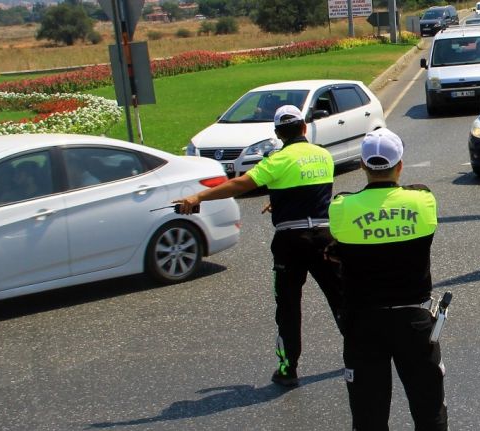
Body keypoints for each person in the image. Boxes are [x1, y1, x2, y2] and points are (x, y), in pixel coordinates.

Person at [173, 105, 344, 387]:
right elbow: (313, 190)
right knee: (341, 299)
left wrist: (199, 197)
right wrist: (279, 201)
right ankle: (359, 355)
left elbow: (241, 184)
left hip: (290, 241)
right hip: (325, 238)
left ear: (278, 133)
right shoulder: (324, 156)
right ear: (304, 128)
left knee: (288, 307)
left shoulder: (277, 161)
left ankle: (288, 369)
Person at [327, 128, 448, 430]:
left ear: (362, 166)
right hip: (414, 320)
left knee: (369, 416)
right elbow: (418, 190)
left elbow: (338, 242)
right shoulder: (422, 201)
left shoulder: (342, 207)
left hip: (363, 323)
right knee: (429, 410)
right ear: (400, 165)